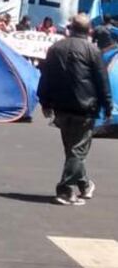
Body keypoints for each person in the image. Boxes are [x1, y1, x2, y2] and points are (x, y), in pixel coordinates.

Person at [37, 14, 111, 205]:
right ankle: (64, 190)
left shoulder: (56, 48)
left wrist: (45, 102)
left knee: (73, 149)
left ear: (70, 28)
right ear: (89, 31)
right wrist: (108, 105)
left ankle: (85, 185)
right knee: (77, 150)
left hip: (61, 107)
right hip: (84, 107)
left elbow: (46, 77)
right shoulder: (92, 50)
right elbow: (102, 81)